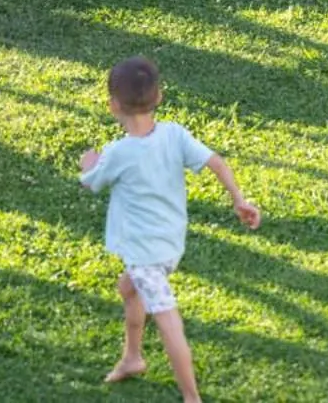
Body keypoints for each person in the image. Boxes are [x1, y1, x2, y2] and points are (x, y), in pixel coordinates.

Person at [79, 57, 260, 401]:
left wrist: (89, 163)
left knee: (168, 321)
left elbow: (92, 182)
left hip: (146, 252)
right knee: (128, 288)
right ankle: (132, 357)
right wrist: (239, 200)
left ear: (113, 105)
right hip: (169, 241)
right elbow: (216, 162)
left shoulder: (118, 152)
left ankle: (191, 397)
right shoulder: (174, 134)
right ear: (159, 96)